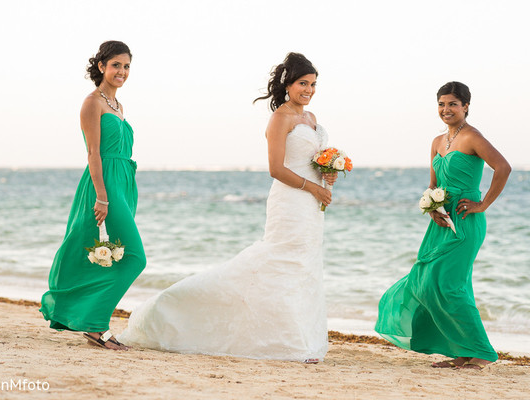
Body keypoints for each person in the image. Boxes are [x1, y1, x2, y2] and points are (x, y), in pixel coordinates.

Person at [118, 52, 336, 363]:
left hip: (312, 206)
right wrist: (312, 186)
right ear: (288, 84)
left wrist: (328, 175)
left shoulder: (312, 120)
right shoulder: (280, 119)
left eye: (313, 84)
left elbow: (313, 163)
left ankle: (300, 339)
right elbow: (276, 168)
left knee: (304, 267)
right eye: (303, 83)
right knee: (279, 261)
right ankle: (171, 310)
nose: (309, 90)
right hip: (290, 202)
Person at [375, 81, 511, 370]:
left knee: (449, 286)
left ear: (465, 106)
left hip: (465, 220)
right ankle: (463, 350)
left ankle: (482, 352)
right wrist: (432, 208)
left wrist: (483, 203)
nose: (446, 109)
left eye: (452, 104)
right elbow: (433, 185)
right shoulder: (437, 142)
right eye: (441, 104)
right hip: (440, 222)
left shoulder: (473, 137)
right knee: (428, 283)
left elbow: (503, 167)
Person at [40, 41, 146, 350]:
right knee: (135, 257)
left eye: (126, 66)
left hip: (123, 182)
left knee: (118, 253)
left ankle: (94, 322)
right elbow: (93, 153)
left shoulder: (118, 106)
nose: (121, 72)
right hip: (105, 184)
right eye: (116, 65)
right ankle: (96, 325)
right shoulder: (92, 103)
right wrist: (102, 196)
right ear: (101, 66)